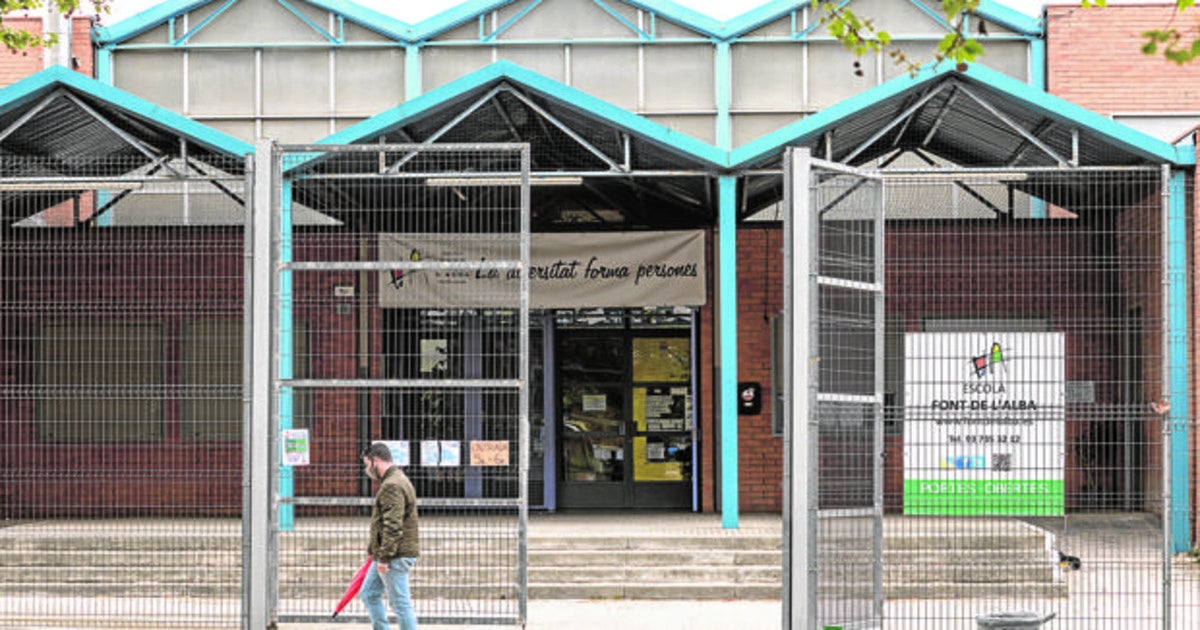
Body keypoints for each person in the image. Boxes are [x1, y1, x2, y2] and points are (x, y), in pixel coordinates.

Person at [359, 442, 420, 630]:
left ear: (375, 460)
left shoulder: (392, 485)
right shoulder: (396, 479)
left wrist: (384, 558)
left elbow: (392, 526)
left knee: (400, 604)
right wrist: (374, 552)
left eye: (367, 464)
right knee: (369, 592)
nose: (366, 469)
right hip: (386, 553)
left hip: (395, 555)